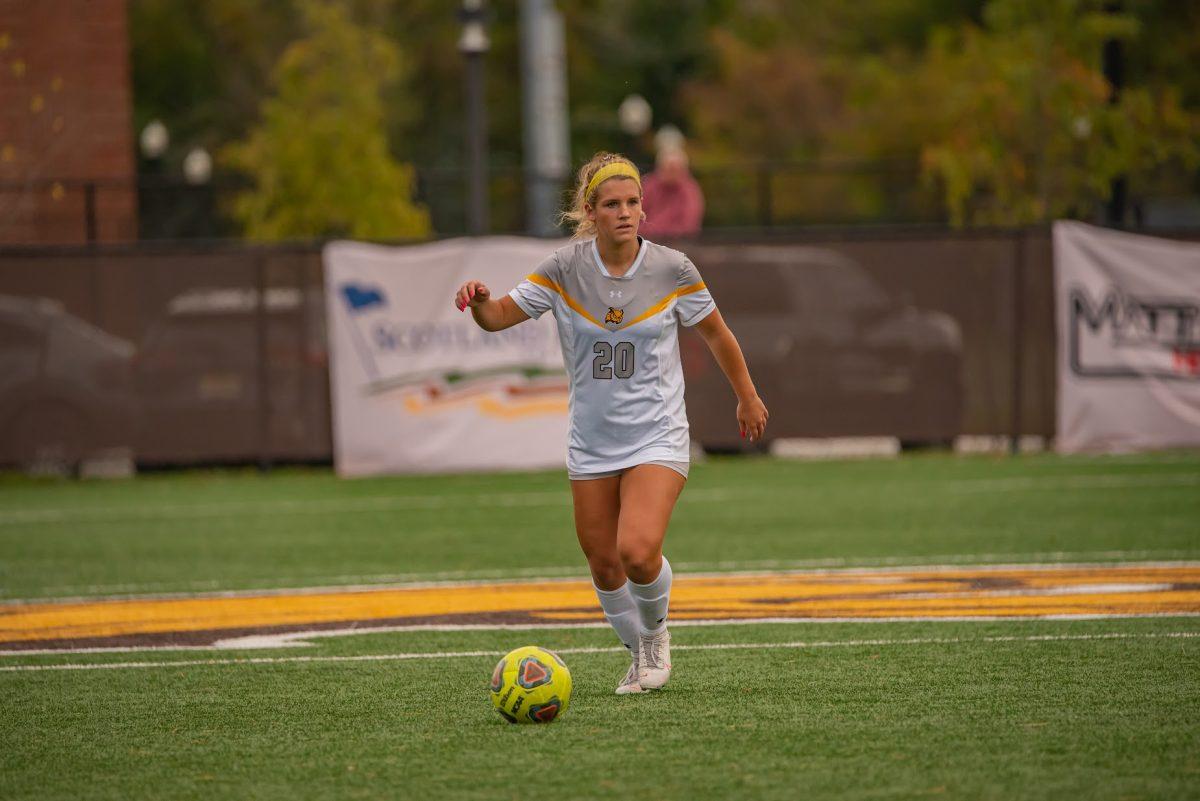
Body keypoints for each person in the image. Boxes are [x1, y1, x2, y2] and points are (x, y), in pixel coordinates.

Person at [452, 152, 767, 694]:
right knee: (604, 566)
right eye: (612, 204)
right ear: (590, 211)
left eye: (633, 202)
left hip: (656, 433)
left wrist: (748, 396)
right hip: (592, 443)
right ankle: (638, 652)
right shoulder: (563, 269)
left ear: (644, 209)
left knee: (637, 551)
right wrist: (479, 301)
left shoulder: (673, 268)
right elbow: (500, 315)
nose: (625, 212)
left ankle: (657, 637)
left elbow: (717, 333)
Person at [638, 146, 705, 239]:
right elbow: (637, 214)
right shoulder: (649, 185)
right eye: (667, 168)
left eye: (675, 169)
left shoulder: (690, 191)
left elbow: (689, 223)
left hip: (677, 243)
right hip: (647, 240)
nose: (671, 173)